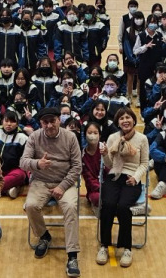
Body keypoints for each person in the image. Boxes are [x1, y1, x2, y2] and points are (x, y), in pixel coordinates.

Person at [20, 107, 83, 277]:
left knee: (71, 208)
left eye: (52, 121)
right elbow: (23, 162)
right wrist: (37, 164)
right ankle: (44, 236)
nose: (49, 125)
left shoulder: (70, 137)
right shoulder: (34, 137)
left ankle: (72, 256)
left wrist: (62, 186)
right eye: (45, 122)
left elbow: (77, 166)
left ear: (59, 120)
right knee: (30, 205)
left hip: (65, 182)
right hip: (41, 182)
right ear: (41, 123)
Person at [96, 108, 149, 268]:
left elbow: (144, 163)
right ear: (118, 122)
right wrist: (104, 154)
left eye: (128, 117)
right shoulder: (113, 137)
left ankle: (127, 248)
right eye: (121, 118)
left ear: (134, 120)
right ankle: (104, 245)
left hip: (131, 179)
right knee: (108, 204)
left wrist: (136, 177)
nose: (125, 120)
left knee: (123, 207)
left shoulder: (142, 139)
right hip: (114, 176)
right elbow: (109, 164)